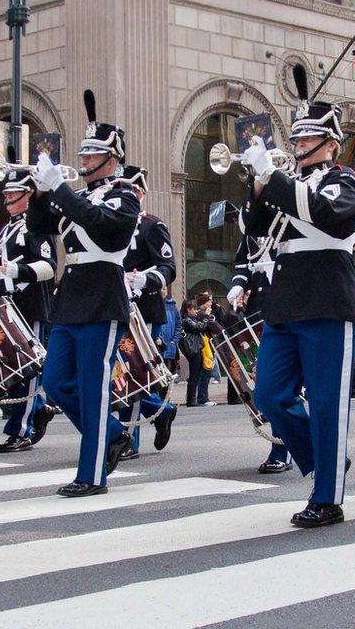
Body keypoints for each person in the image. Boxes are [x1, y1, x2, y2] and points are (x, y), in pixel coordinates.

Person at [246, 89, 355, 525]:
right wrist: (258, 184)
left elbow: (329, 215)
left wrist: (275, 181)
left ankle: (328, 497)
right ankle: (322, 457)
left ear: (331, 143)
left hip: (328, 301)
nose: (297, 147)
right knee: (270, 396)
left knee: (328, 404)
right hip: (285, 302)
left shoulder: (343, 180)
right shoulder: (289, 183)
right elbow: (254, 229)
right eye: (295, 139)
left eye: (307, 139)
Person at [27, 93, 141, 496]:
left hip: (101, 293)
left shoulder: (124, 194)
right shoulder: (76, 194)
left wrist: (60, 189)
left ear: (112, 159)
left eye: (93, 155)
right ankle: (110, 434)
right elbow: (38, 228)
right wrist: (40, 192)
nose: (85, 160)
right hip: (71, 294)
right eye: (84, 153)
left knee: (93, 387)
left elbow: (98, 223)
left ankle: (92, 474)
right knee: (56, 383)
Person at [0, 171, 59, 452]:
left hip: (29, 304)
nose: (6, 198)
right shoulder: (6, 229)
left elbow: (48, 265)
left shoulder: (37, 225)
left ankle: (21, 430)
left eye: (12, 193)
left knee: (26, 370)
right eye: (5, 194)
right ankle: (37, 410)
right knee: (11, 368)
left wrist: (18, 271)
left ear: (28, 194)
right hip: (6, 306)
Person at [115, 165, 177, 457]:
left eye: (127, 191)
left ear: (140, 194)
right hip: (113, 305)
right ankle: (161, 411)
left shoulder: (152, 226)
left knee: (134, 372)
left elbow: (168, 267)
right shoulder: (109, 222)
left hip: (142, 310)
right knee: (117, 372)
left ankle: (129, 437)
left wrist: (143, 279)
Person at [226, 204, 292, 472]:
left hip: (288, 309)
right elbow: (244, 264)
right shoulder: (251, 228)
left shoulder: (289, 222)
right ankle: (289, 443)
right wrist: (238, 284)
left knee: (281, 387)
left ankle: (283, 448)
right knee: (263, 383)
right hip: (259, 313)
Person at [179, 292, 216, 408]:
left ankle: (192, 398)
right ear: (188, 310)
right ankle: (191, 399)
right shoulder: (186, 320)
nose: (195, 311)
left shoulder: (191, 318)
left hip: (197, 348)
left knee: (197, 373)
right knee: (194, 375)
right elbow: (199, 327)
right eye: (193, 309)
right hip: (193, 349)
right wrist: (206, 317)